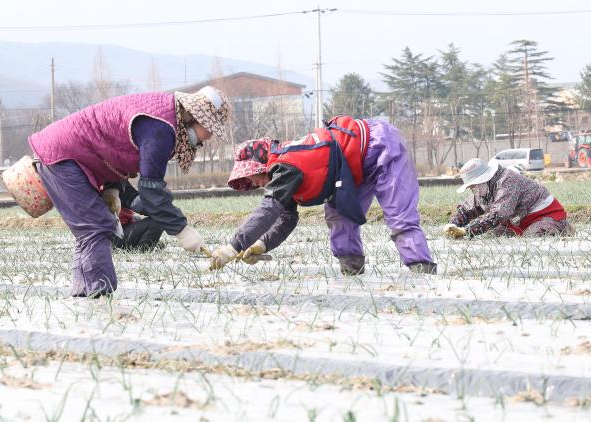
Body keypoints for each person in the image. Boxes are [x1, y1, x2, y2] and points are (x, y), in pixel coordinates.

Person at [29, 86, 231, 297]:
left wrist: (113, 188)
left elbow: (115, 143)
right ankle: (100, 295)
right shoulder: (161, 128)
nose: (208, 137)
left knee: (90, 231)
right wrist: (182, 230)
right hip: (63, 155)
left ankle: (84, 293)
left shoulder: (164, 116)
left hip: (65, 153)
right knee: (96, 227)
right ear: (193, 117)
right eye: (208, 128)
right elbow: (150, 189)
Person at [209, 116, 437, 275]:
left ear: (262, 163)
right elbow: (285, 219)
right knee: (339, 217)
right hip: (350, 170)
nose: (254, 183)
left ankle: (421, 268)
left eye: (252, 177)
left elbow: (268, 209)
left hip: (379, 146)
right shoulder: (284, 177)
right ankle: (352, 270)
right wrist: (261, 244)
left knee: (398, 215)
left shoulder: (286, 166)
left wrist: (233, 247)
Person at [444, 158, 575, 238]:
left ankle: (563, 228)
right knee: (492, 235)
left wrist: (466, 230)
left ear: (483, 180)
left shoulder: (507, 181)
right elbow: (467, 209)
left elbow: (499, 214)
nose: (473, 190)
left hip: (546, 216)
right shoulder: (482, 189)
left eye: (473, 186)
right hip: (519, 220)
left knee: (530, 239)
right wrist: (453, 225)